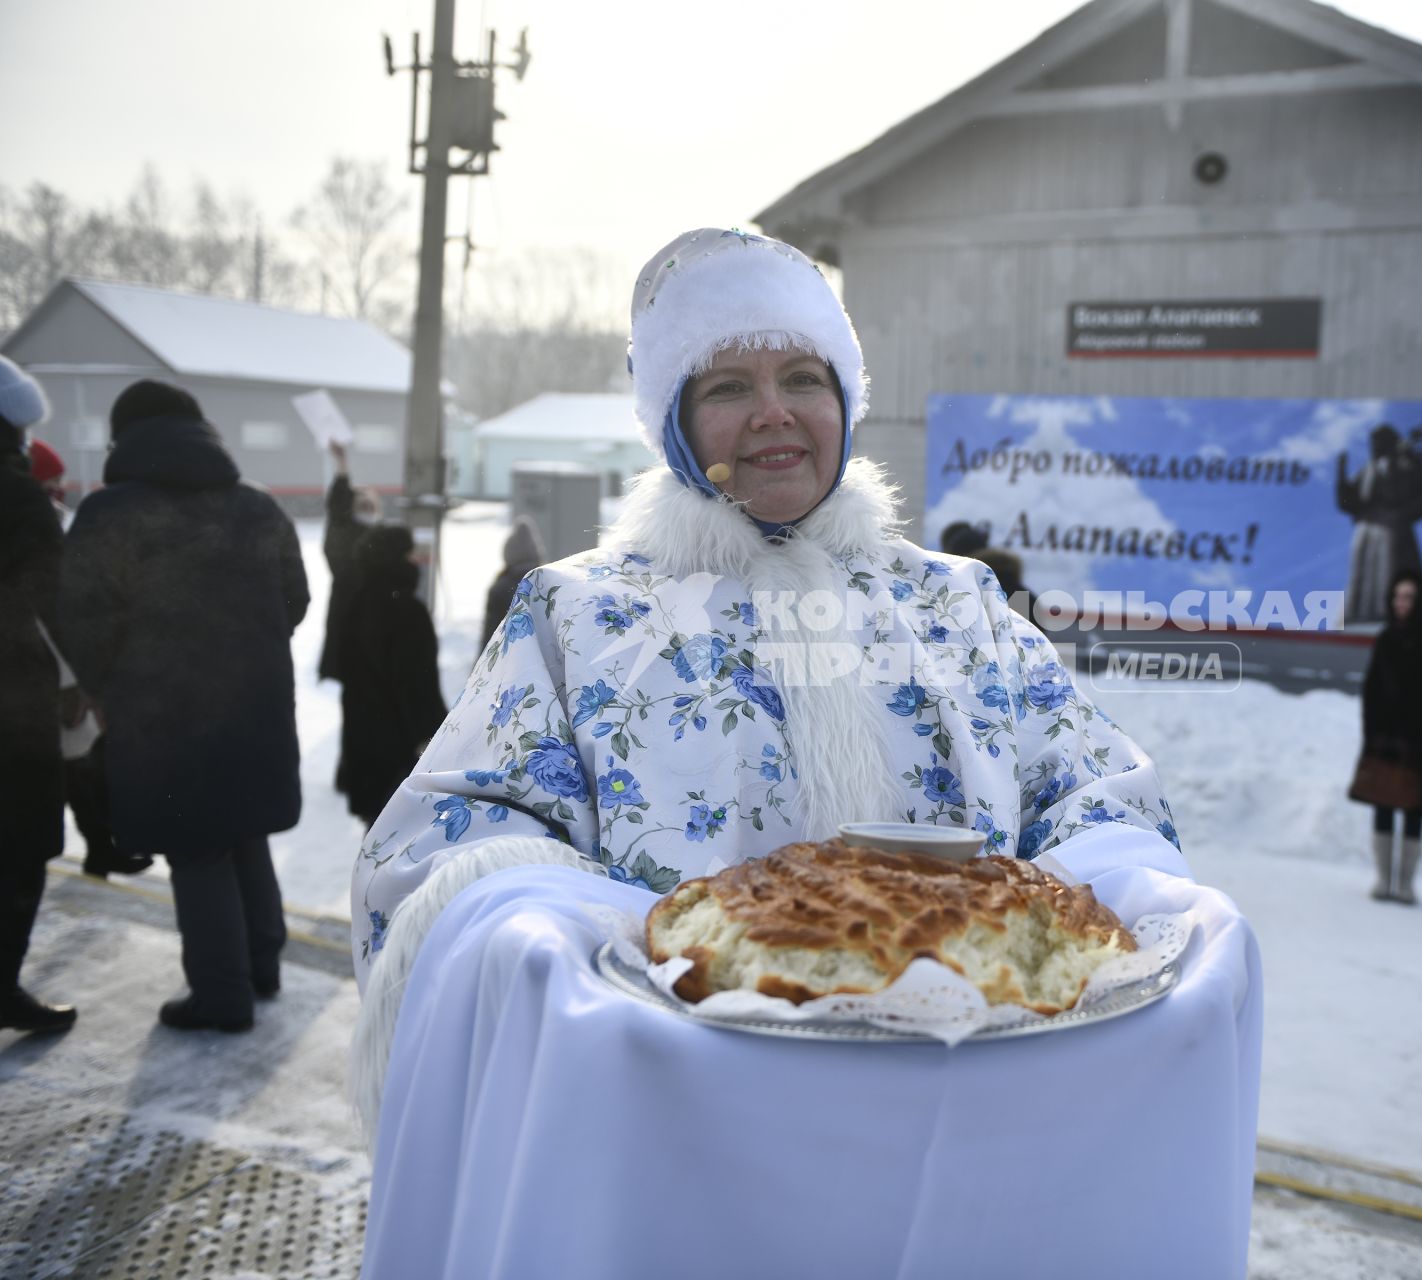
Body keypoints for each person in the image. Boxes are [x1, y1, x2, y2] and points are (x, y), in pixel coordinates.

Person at [349, 226, 1192, 1109]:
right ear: (674, 425)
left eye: (802, 378)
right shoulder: (579, 614)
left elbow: (1097, 797)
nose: (773, 412)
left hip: (957, 1095)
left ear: (846, 402)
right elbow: (443, 848)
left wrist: (1103, 895)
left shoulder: (959, 603)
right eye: (726, 387)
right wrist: (630, 937)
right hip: (679, 1098)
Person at [57, 380, 308, 1034]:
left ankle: (221, 997)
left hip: (162, 715)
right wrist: (242, 649)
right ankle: (260, 966)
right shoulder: (255, 509)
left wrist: (107, 683)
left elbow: (80, 621)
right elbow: (295, 600)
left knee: (196, 849)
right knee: (243, 831)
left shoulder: (108, 515)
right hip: (252, 706)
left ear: (123, 441)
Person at [20, 436, 150, 880]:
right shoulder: (29, 526)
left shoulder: (45, 521)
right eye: (50, 482)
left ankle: (100, 847)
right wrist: (72, 680)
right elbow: (46, 609)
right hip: (51, 676)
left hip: (62, 672)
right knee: (71, 772)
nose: (58, 489)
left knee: (84, 769)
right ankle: (90, 850)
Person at [0, 355, 78, 1033]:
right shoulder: (18, 497)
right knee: (18, 846)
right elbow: (62, 603)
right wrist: (95, 681)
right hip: (11, 708)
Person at [1356, 570, 1422, 905]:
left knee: (1414, 808)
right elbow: (1371, 690)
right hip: (1384, 739)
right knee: (1383, 802)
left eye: (1408, 597)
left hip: (1421, 741)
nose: (1401, 604)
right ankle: (1384, 878)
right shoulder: (1386, 639)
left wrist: (1415, 726)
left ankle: (1406, 883)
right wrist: (1375, 731)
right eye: (1397, 597)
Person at [339, 525, 448, 825]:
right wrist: (435, 736)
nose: (415, 560)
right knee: (402, 837)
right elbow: (417, 684)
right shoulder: (407, 611)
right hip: (400, 749)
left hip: (364, 743)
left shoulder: (357, 603)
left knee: (374, 836)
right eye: (409, 553)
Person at [1335, 425, 1422, 626]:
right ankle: (1357, 616)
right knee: (1361, 576)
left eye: (1379, 440)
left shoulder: (1406, 463)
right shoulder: (1367, 469)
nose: (1375, 445)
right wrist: (1341, 473)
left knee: (1390, 569)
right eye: (1373, 441)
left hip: (1393, 525)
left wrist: (1407, 512)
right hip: (1367, 528)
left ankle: (1389, 614)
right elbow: (1349, 503)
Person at [319, 438, 382, 685]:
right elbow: (338, 505)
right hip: (349, 618)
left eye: (371, 502)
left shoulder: (384, 536)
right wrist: (342, 464)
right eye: (361, 502)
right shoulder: (345, 533)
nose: (367, 505)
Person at [476, 516, 545, 660]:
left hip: (508, 666)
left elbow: (490, 639)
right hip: (543, 668)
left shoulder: (500, 589)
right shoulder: (548, 584)